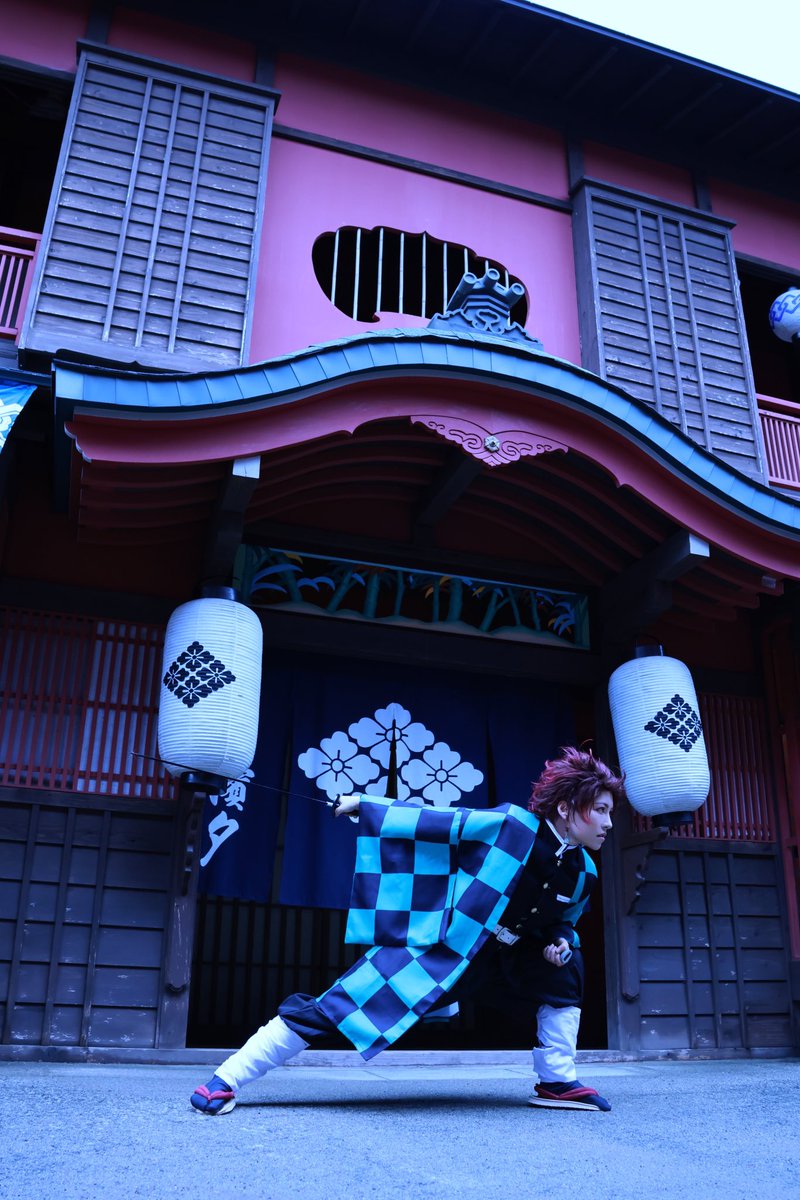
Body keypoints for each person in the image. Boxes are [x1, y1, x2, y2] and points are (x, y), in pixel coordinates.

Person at [190, 746, 624, 1116]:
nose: (608, 823)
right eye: (600, 810)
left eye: (610, 812)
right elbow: (443, 821)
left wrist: (561, 942)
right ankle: (227, 1078)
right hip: (448, 949)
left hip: (511, 963)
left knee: (569, 969)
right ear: (565, 809)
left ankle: (556, 1081)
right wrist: (365, 805)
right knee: (340, 1005)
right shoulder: (514, 827)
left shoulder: (584, 871)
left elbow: (563, 922)